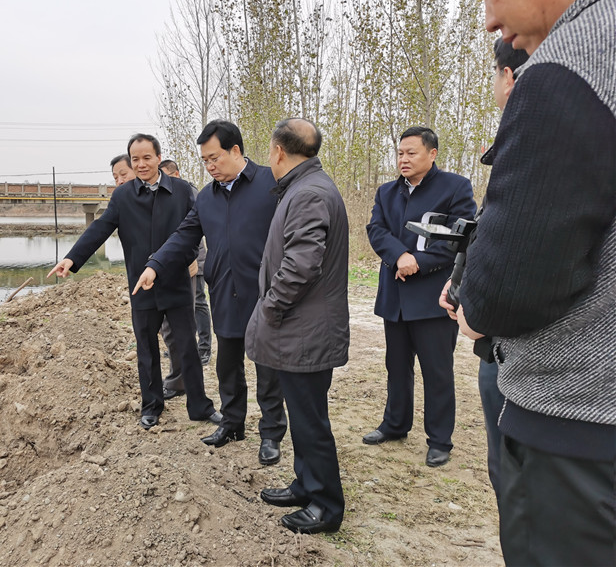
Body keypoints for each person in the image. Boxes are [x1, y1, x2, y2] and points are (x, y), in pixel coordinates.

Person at [445, 0, 616, 564]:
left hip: (579, 432)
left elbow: (511, 284)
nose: (489, 16)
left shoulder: (571, 66)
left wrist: (476, 297)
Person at [134, 120, 287, 466]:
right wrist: (154, 265)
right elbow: (184, 235)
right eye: (204, 161)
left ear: (236, 151)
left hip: (266, 294)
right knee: (227, 365)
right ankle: (232, 424)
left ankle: (271, 434)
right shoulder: (206, 197)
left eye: (214, 158)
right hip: (225, 292)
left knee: (267, 368)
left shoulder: (271, 184)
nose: (210, 166)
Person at [47, 134, 221, 430]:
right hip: (141, 285)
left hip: (177, 282)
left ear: (158, 157)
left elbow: (196, 229)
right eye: (136, 159)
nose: (141, 164)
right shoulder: (123, 195)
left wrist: (193, 257)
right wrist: (72, 259)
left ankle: (200, 406)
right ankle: (151, 405)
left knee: (187, 347)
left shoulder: (181, 191)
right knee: (146, 348)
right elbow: (100, 228)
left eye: (147, 158)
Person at [246, 118, 348, 534]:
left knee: (310, 421)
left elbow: (301, 263)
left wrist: (270, 309)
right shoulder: (308, 187)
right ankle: (306, 485)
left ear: (277, 152)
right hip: (301, 329)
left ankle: (325, 505)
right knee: (304, 416)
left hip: (304, 330)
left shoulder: (308, 193)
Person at [363, 127, 476, 467]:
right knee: (396, 366)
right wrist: (400, 256)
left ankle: (440, 439)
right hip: (395, 295)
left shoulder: (455, 187)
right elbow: (376, 229)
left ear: (432, 153)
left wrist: (419, 263)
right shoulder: (387, 192)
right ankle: (395, 425)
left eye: (411, 152)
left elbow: (462, 238)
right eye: (400, 153)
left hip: (433, 297)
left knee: (437, 370)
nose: (403, 159)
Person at [474, 37, 528, 502]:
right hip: (499, 351)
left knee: (516, 480)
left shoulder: (534, 148)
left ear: (507, 78)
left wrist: (476, 307)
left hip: (525, 357)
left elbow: (511, 245)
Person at [159, 159, 212, 370]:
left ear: (176, 174)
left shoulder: (189, 191)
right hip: (175, 259)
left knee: (199, 302)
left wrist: (191, 257)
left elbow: (196, 227)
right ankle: (182, 346)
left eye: (166, 176)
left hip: (194, 257)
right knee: (181, 306)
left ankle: (204, 348)